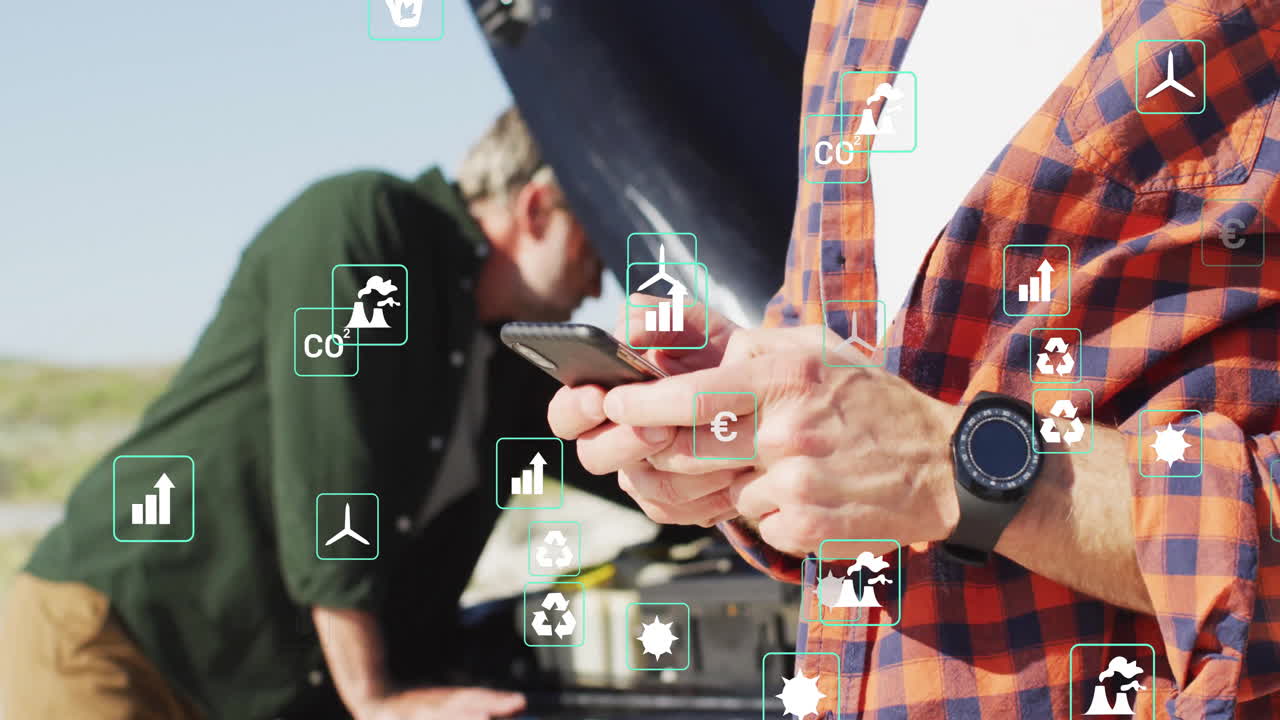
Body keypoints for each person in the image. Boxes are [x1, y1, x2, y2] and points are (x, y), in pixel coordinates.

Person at [549, 1, 1280, 718]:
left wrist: (953, 467)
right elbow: (835, 386)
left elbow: (907, 453)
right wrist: (733, 434)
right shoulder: (852, 18)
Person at [0, 108, 606, 720]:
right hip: (122, 641)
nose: (603, 278)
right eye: (595, 232)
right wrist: (374, 695)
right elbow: (332, 465)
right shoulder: (365, 225)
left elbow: (606, 447)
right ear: (535, 208)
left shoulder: (510, 365)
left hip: (260, 690)